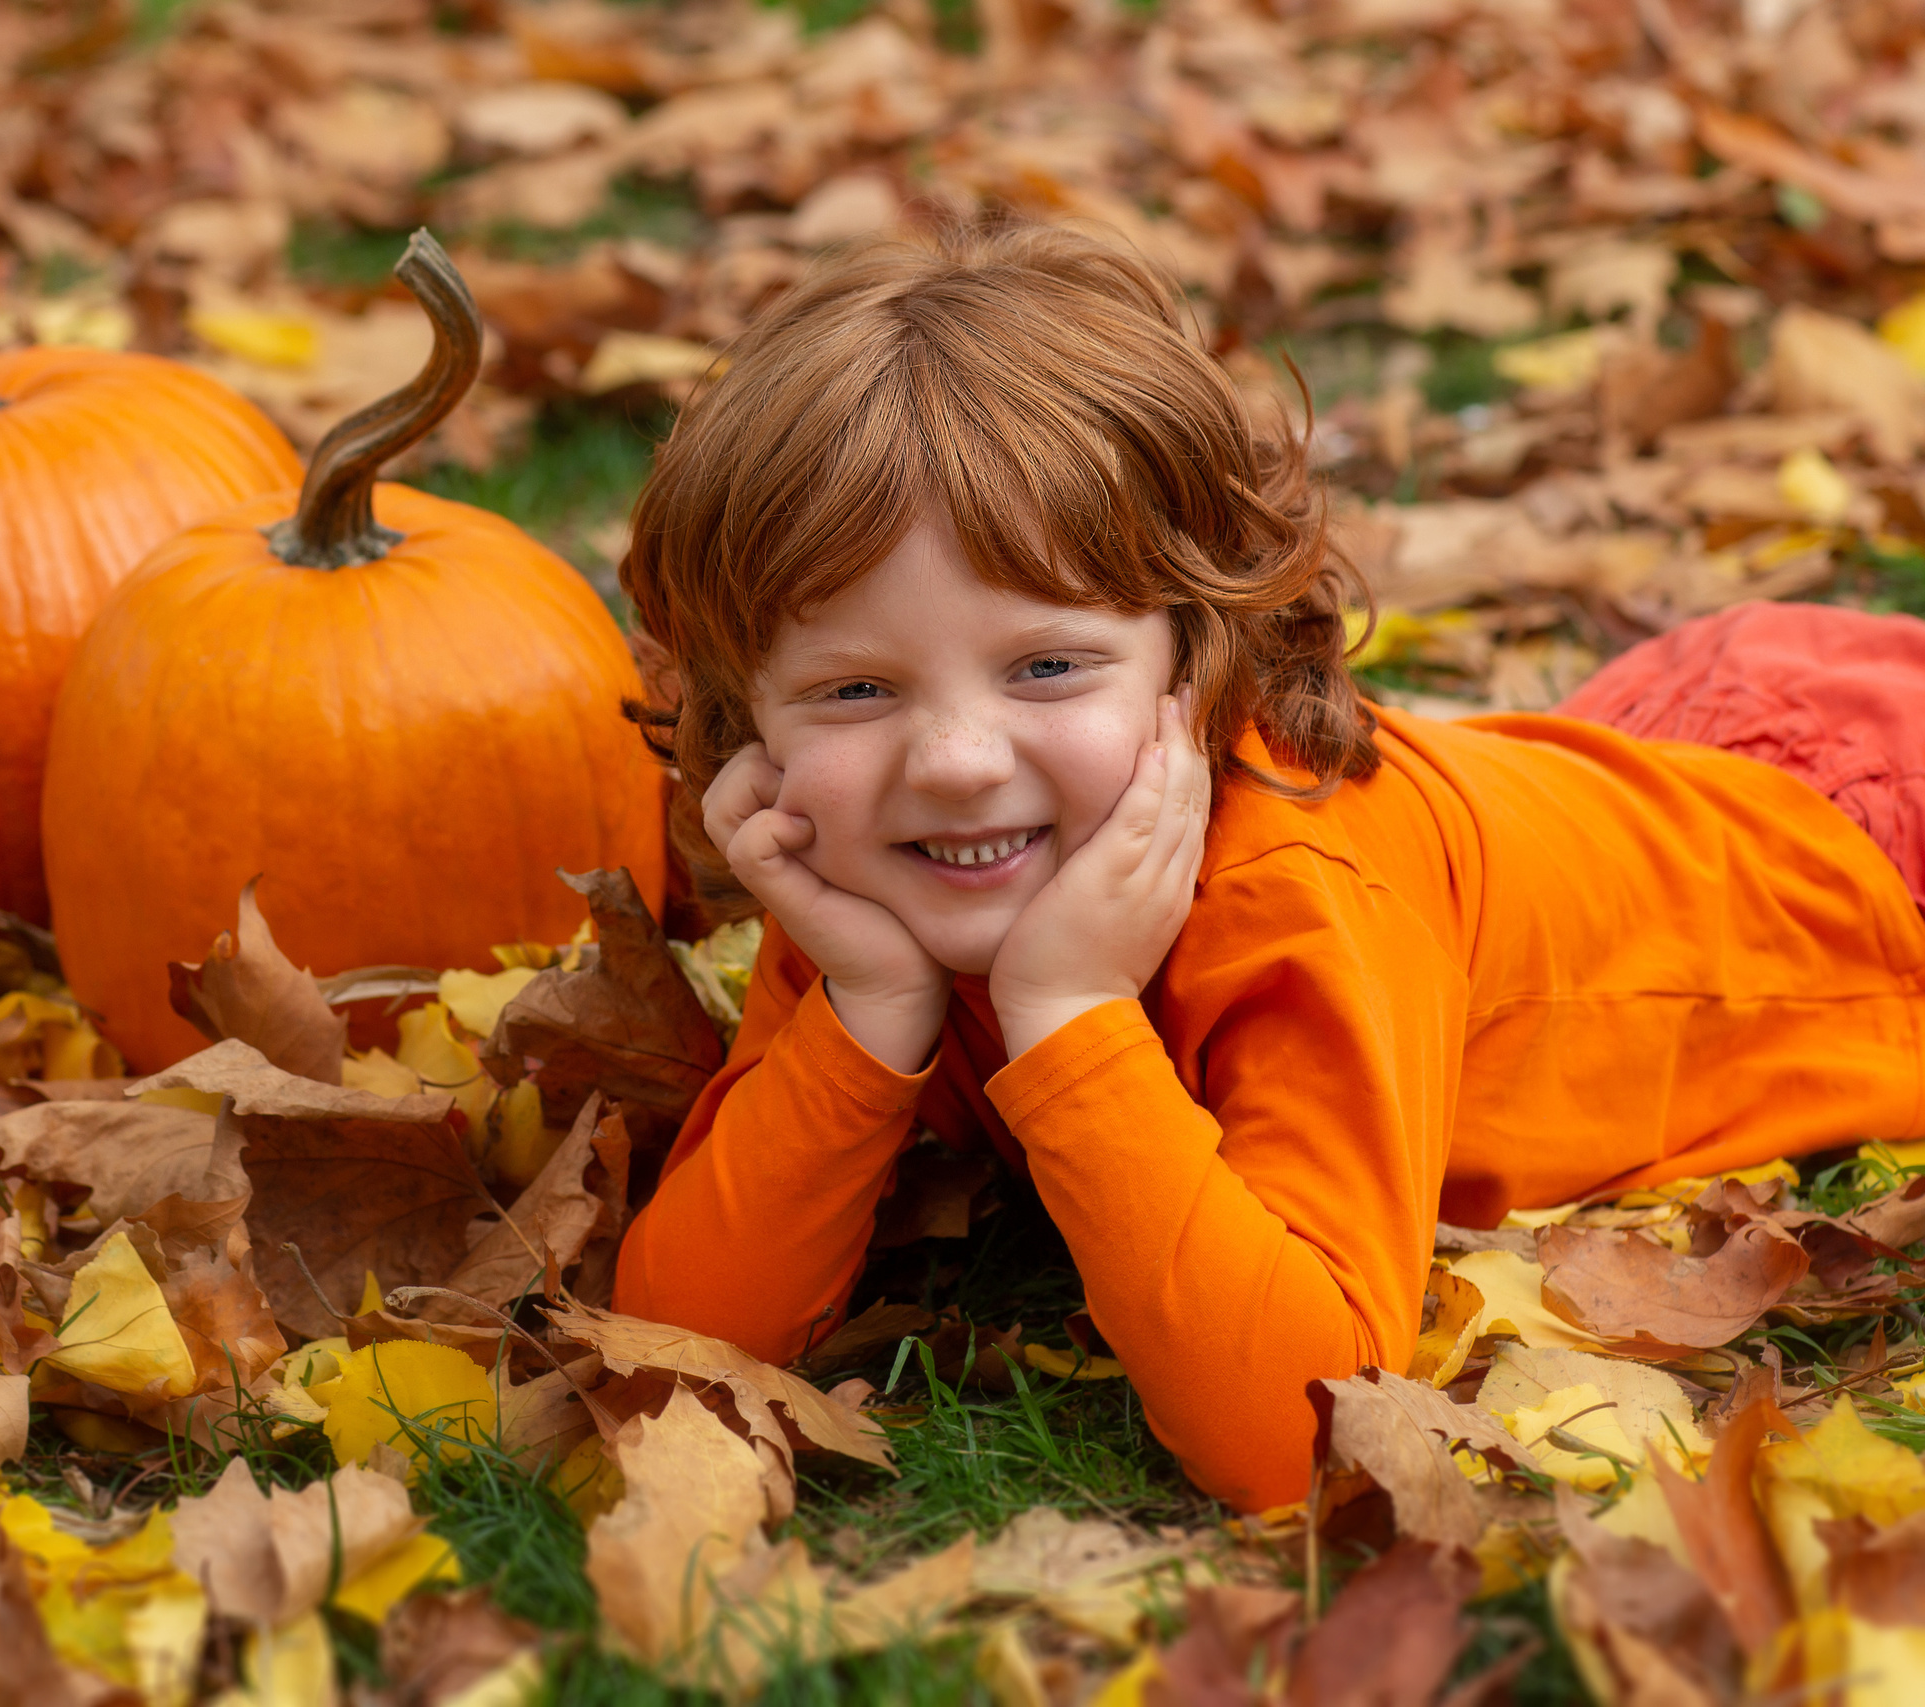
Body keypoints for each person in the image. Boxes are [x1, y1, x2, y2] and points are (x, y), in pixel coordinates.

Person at [609, 221, 1925, 1513]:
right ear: (748, 713)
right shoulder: (873, 870)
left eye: (1048, 666)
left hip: (1854, 870)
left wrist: (1068, 1011)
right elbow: (680, 1341)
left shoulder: (1287, 891)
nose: (954, 762)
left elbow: (1298, 1434)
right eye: (853, 689)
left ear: (1198, 654)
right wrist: (869, 1011)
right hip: (1643, 775)